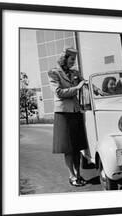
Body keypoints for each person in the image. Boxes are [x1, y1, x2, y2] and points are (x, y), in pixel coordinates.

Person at [48, 48, 88, 187]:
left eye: (74, 60)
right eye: (71, 60)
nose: (73, 63)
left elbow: (86, 85)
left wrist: (101, 91)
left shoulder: (75, 73)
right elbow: (59, 92)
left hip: (75, 111)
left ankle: (78, 174)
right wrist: (77, 88)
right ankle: (71, 175)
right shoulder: (53, 73)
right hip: (63, 114)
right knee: (68, 148)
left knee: (76, 147)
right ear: (64, 59)